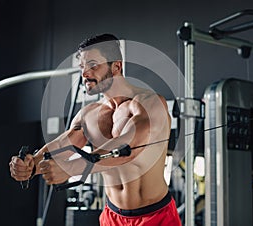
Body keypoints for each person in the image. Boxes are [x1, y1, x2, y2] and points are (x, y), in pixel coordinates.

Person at [9, 33, 182, 225]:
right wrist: (32, 164)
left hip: (155, 216)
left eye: (92, 65)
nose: (84, 73)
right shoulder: (89, 114)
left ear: (116, 66)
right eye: (82, 67)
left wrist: (73, 168)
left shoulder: (150, 103)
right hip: (112, 217)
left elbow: (129, 147)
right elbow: (62, 143)